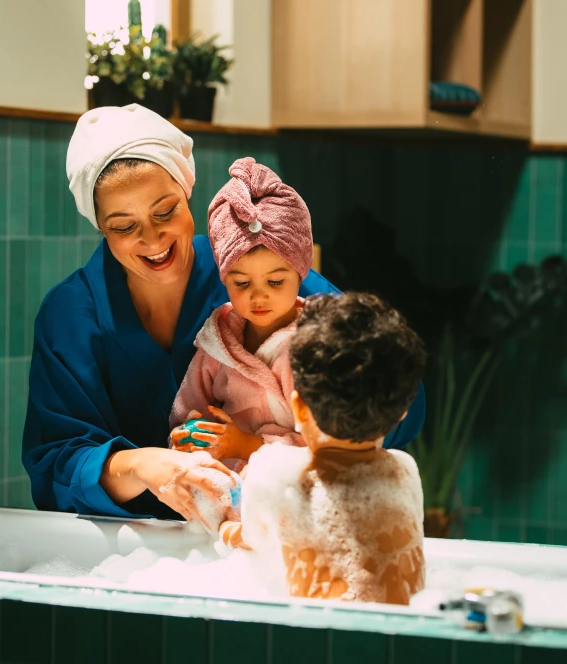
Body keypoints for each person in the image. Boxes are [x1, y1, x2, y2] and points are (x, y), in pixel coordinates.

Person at [21, 103, 427, 525]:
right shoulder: (70, 316)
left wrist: (272, 443)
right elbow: (56, 462)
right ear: (100, 226)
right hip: (135, 545)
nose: (152, 238)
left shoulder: (257, 268)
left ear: (187, 192)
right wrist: (141, 466)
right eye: (123, 226)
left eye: (165, 211)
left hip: (268, 534)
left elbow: (394, 391)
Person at [219, 292, 427, 606]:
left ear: (299, 409)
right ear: (402, 413)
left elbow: (249, 540)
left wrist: (223, 525)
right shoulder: (404, 471)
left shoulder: (275, 474)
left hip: (322, 632)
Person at [168, 157, 314, 472]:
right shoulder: (218, 342)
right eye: (242, 283)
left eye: (275, 282)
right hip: (229, 480)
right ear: (225, 280)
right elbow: (188, 411)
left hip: (292, 484)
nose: (258, 296)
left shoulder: (318, 345)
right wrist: (185, 438)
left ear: (301, 272)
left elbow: (327, 448)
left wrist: (247, 446)